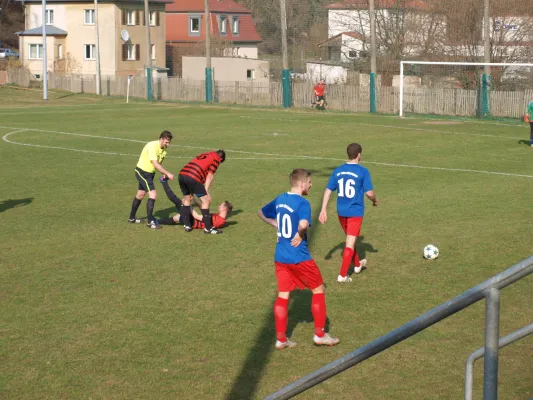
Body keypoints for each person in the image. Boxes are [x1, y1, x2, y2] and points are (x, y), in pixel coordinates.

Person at [258, 168, 340, 350]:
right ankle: (320, 335)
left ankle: (281, 339)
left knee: (283, 294)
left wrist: (277, 225)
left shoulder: (280, 199)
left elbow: (261, 213)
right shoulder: (303, 203)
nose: (311, 185)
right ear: (302, 184)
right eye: (310, 182)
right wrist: (299, 232)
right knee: (319, 290)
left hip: (280, 256)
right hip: (299, 257)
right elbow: (303, 223)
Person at [319, 143, 378, 283]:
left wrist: (323, 210)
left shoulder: (338, 171)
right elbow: (369, 193)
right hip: (355, 212)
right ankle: (343, 275)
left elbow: (328, 190)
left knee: (350, 240)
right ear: (358, 154)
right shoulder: (363, 171)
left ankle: (357, 265)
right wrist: (375, 200)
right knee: (350, 243)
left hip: (341, 212)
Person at [128, 130, 174, 229]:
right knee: (153, 194)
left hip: (150, 174)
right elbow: (155, 163)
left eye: (169, 142)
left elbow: (159, 164)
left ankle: (132, 218)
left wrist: (163, 173)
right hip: (142, 172)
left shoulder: (164, 151)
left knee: (140, 194)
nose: (168, 144)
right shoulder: (152, 146)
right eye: (166, 142)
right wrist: (167, 173)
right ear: (161, 139)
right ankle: (150, 222)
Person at [178, 149, 226, 234]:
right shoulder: (216, 159)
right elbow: (210, 176)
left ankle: (187, 225)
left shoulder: (206, 154)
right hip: (193, 176)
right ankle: (208, 228)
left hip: (182, 175)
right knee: (206, 200)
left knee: (187, 199)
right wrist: (206, 191)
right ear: (221, 159)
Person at [158, 178, 232, 229]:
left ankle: (164, 182)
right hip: (191, 219)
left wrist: (188, 205)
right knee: (175, 218)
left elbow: (197, 217)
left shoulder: (219, 220)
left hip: (192, 221)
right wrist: (195, 201)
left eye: (221, 205)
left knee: (177, 202)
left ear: (224, 209)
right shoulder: (218, 217)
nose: (219, 205)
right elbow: (204, 213)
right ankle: (155, 221)